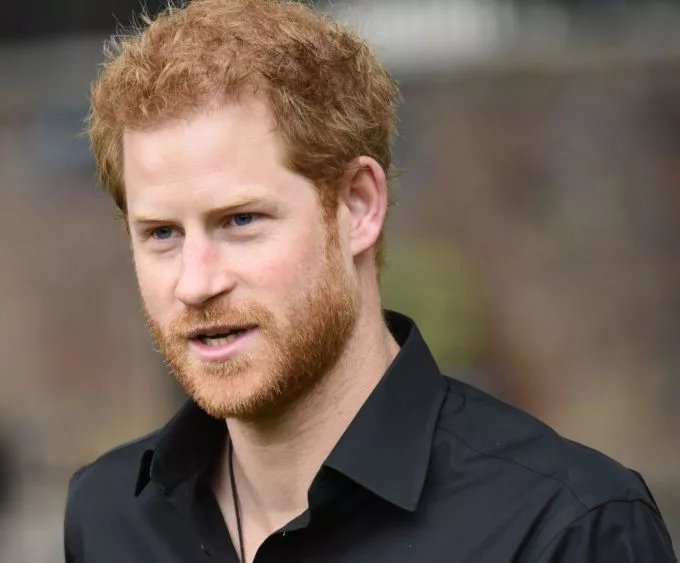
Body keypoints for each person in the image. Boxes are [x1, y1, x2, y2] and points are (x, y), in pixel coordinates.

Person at [63, 1, 677, 561]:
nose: (196, 284)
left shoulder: (565, 528)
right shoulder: (109, 516)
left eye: (241, 221)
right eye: (161, 233)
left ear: (358, 206)